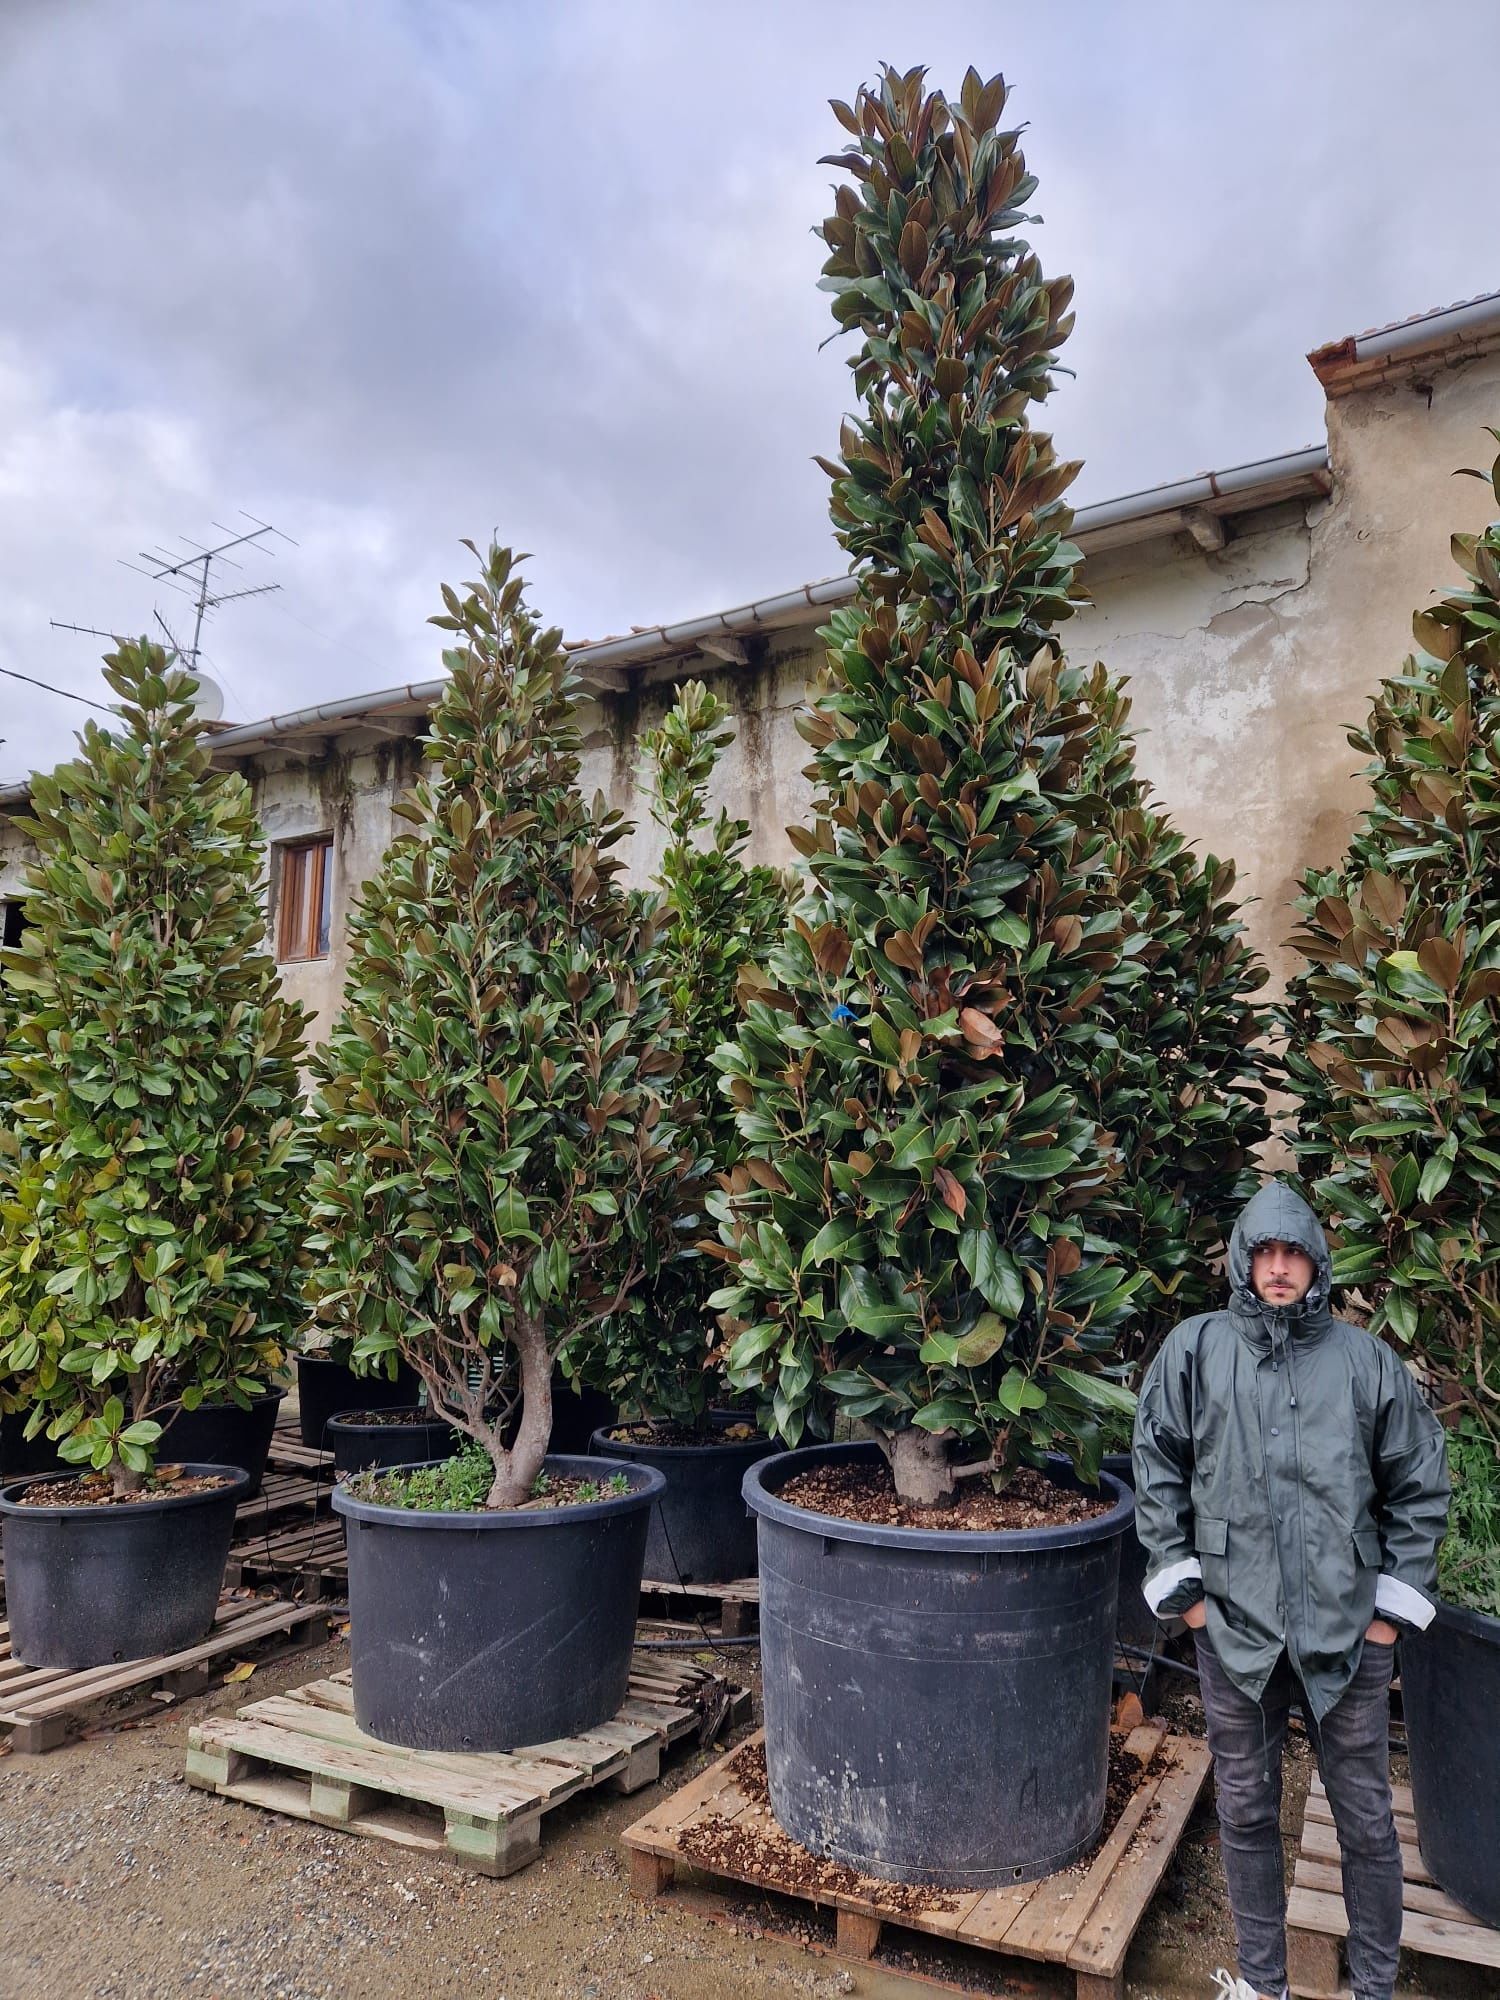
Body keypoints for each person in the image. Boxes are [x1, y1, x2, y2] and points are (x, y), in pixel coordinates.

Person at [1133, 1182, 1449, 2000]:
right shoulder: (1195, 1351)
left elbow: (1419, 1485)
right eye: (1263, 1253)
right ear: (1242, 1260)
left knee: (1367, 1820)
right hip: (1234, 1633)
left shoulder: (1365, 1361)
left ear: (1315, 1262)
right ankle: (1263, 1986)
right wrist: (1190, 1603)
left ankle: (1372, 1988)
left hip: (1349, 1633)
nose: (1278, 1269)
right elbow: (1157, 1468)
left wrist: (1390, 1616)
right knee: (1244, 1812)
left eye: (1293, 1253)